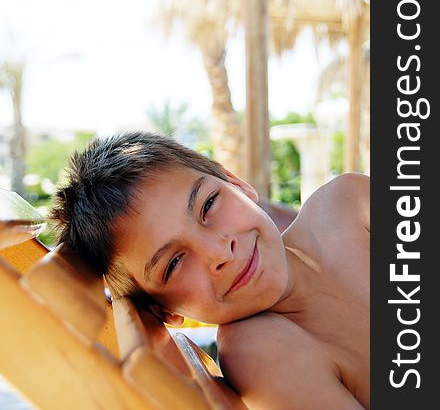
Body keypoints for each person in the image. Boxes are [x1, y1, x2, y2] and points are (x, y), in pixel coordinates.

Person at [51, 131, 369, 409]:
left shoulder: (349, 204)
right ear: (164, 310)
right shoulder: (261, 350)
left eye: (208, 205)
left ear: (238, 185)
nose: (219, 252)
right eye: (174, 263)